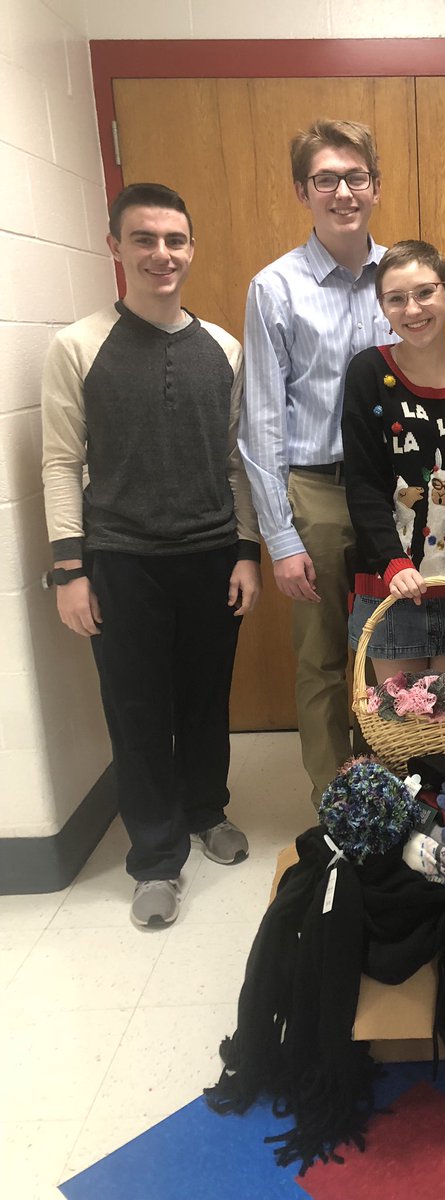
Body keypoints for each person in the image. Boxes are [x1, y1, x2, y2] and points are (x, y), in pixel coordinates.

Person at [41, 182, 261, 929]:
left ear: (191, 248)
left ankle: (206, 811)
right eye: (144, 239)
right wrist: (69, 570)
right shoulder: (78, 346)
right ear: (116, 247)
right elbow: (60, 461)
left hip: (210, 557)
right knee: (137, 712)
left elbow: (237, 464)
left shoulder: (225, 348)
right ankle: (155, 859)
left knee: (205, 700)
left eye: (174, 240)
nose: (161, 254)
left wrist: (246, 552)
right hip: (121, 560)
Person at [240, 118, 397, 803]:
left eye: (355, 177)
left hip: (401, 496)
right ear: (303, 190)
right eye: (325, 179)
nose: (342, 192)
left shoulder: (405, 276)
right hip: (319, 494)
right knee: (322, 658)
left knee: (397, 649)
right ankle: (340, 804)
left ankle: (399, 788)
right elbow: (261, 423)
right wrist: (280, 538)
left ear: (376, 185)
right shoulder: (275, 289)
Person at [342, 240, 445, 682]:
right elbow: (362, 483)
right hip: (389, 587)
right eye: (396, 298)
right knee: (403, 727)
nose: (412, 309)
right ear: (383, 307)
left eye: (425, 293)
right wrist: (392, 562)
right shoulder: (368, 374)